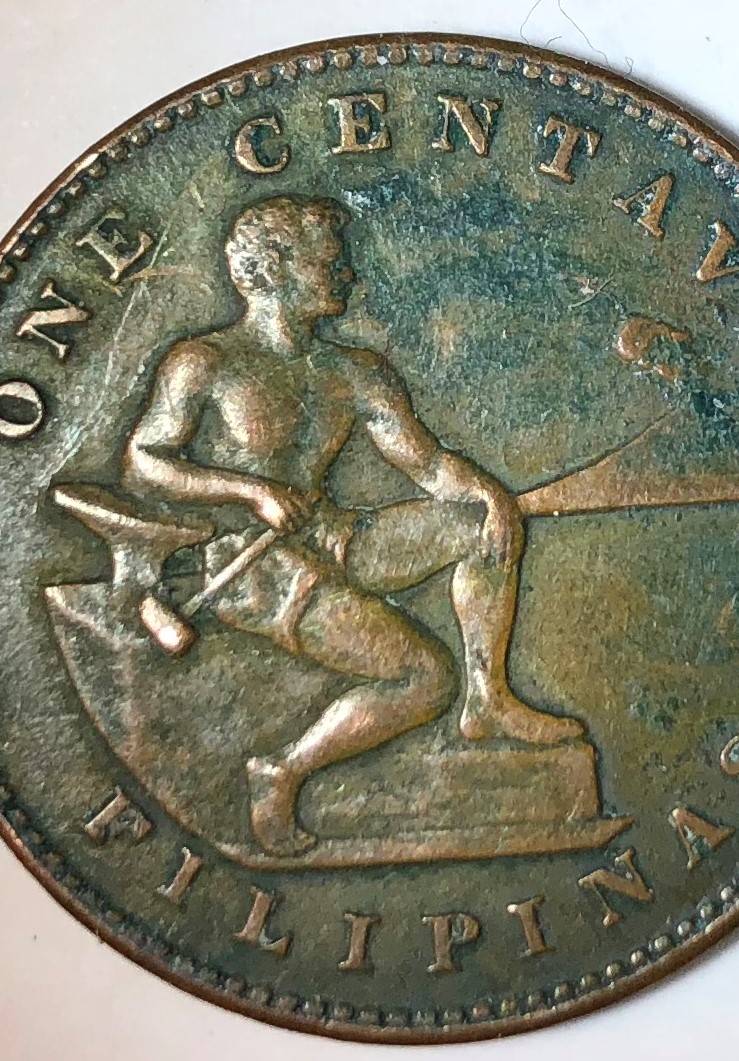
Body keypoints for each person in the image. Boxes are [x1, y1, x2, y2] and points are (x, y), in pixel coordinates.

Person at [122, 195, 582, 856]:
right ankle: (281, 771)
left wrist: (488, 494)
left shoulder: (353, 372)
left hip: (331, 536)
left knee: (477, 525)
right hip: (245, 563)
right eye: (329, 263)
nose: (348, 276)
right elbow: (144, 462)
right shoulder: (204, 362)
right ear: (272, 270)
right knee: (423, 678)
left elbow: (426, 464)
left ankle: (488, 700)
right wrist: (250, 491)